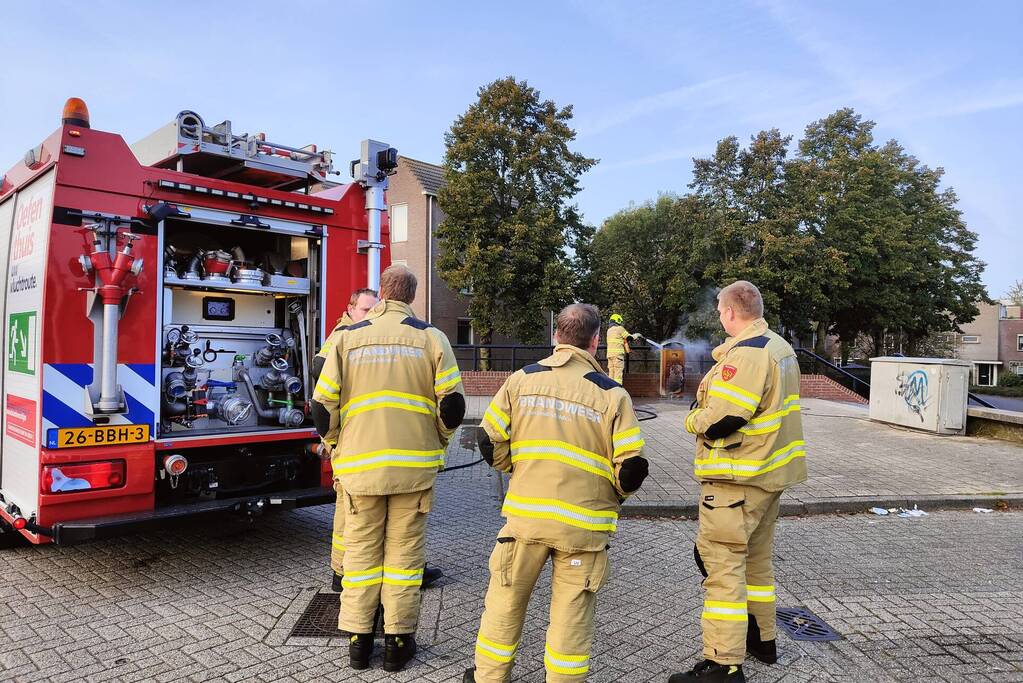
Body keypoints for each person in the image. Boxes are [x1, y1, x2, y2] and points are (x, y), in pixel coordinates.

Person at [464, 303, 649, 683]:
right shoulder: (613, 395)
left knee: (505, 604)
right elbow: (630, 470)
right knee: (571, 618)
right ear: (596, 341)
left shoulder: (522, 379)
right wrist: (614, 497)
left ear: (556, 337)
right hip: (583, 529)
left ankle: (488, 677)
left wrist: (514, 467)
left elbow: (488, 439)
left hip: (526, 521)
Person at [312, 265, 465, 672]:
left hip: (359, 469)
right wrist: (438, 443)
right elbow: (452, 407)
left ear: (381, 293)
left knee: (360, 555)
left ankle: (359, 644)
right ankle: (398, 643)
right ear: (411, 296)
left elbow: (322, 406)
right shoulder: (433, 338)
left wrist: (335, 448)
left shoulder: (345, 338)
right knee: (404, 556)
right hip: (413, 470)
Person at [668, 281, 806, 683]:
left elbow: (724, 418)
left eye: (719, 310)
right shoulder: (779, 348)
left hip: (736, 478)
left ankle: (723, 664)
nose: (718, 316)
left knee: (720, 565)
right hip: (768, 476)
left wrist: (693, 418)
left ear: (730, 312)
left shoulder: (744, 355)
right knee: (756, 563)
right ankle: (762, 640)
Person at [312, 288, 443, 593]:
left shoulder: (363, 333)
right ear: (350, 308)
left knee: (386, 516)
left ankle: (395, 570)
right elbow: (321, 369)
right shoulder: (344, 333)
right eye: (364, 309)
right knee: (351, 512)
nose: (369, 314)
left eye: (374, 309)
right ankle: (343, 572)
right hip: (355, 441)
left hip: (374, 439)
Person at [605, 313, 633, 385]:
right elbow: (629, 338)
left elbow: (623, 340)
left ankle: (611, 392)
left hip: (610, 356)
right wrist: (638, 335)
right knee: (618, 376)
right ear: (618, 320)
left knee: (611, 375)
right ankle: (618, 392)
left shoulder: (609, 331)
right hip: (618, 356)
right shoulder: (620, 329)